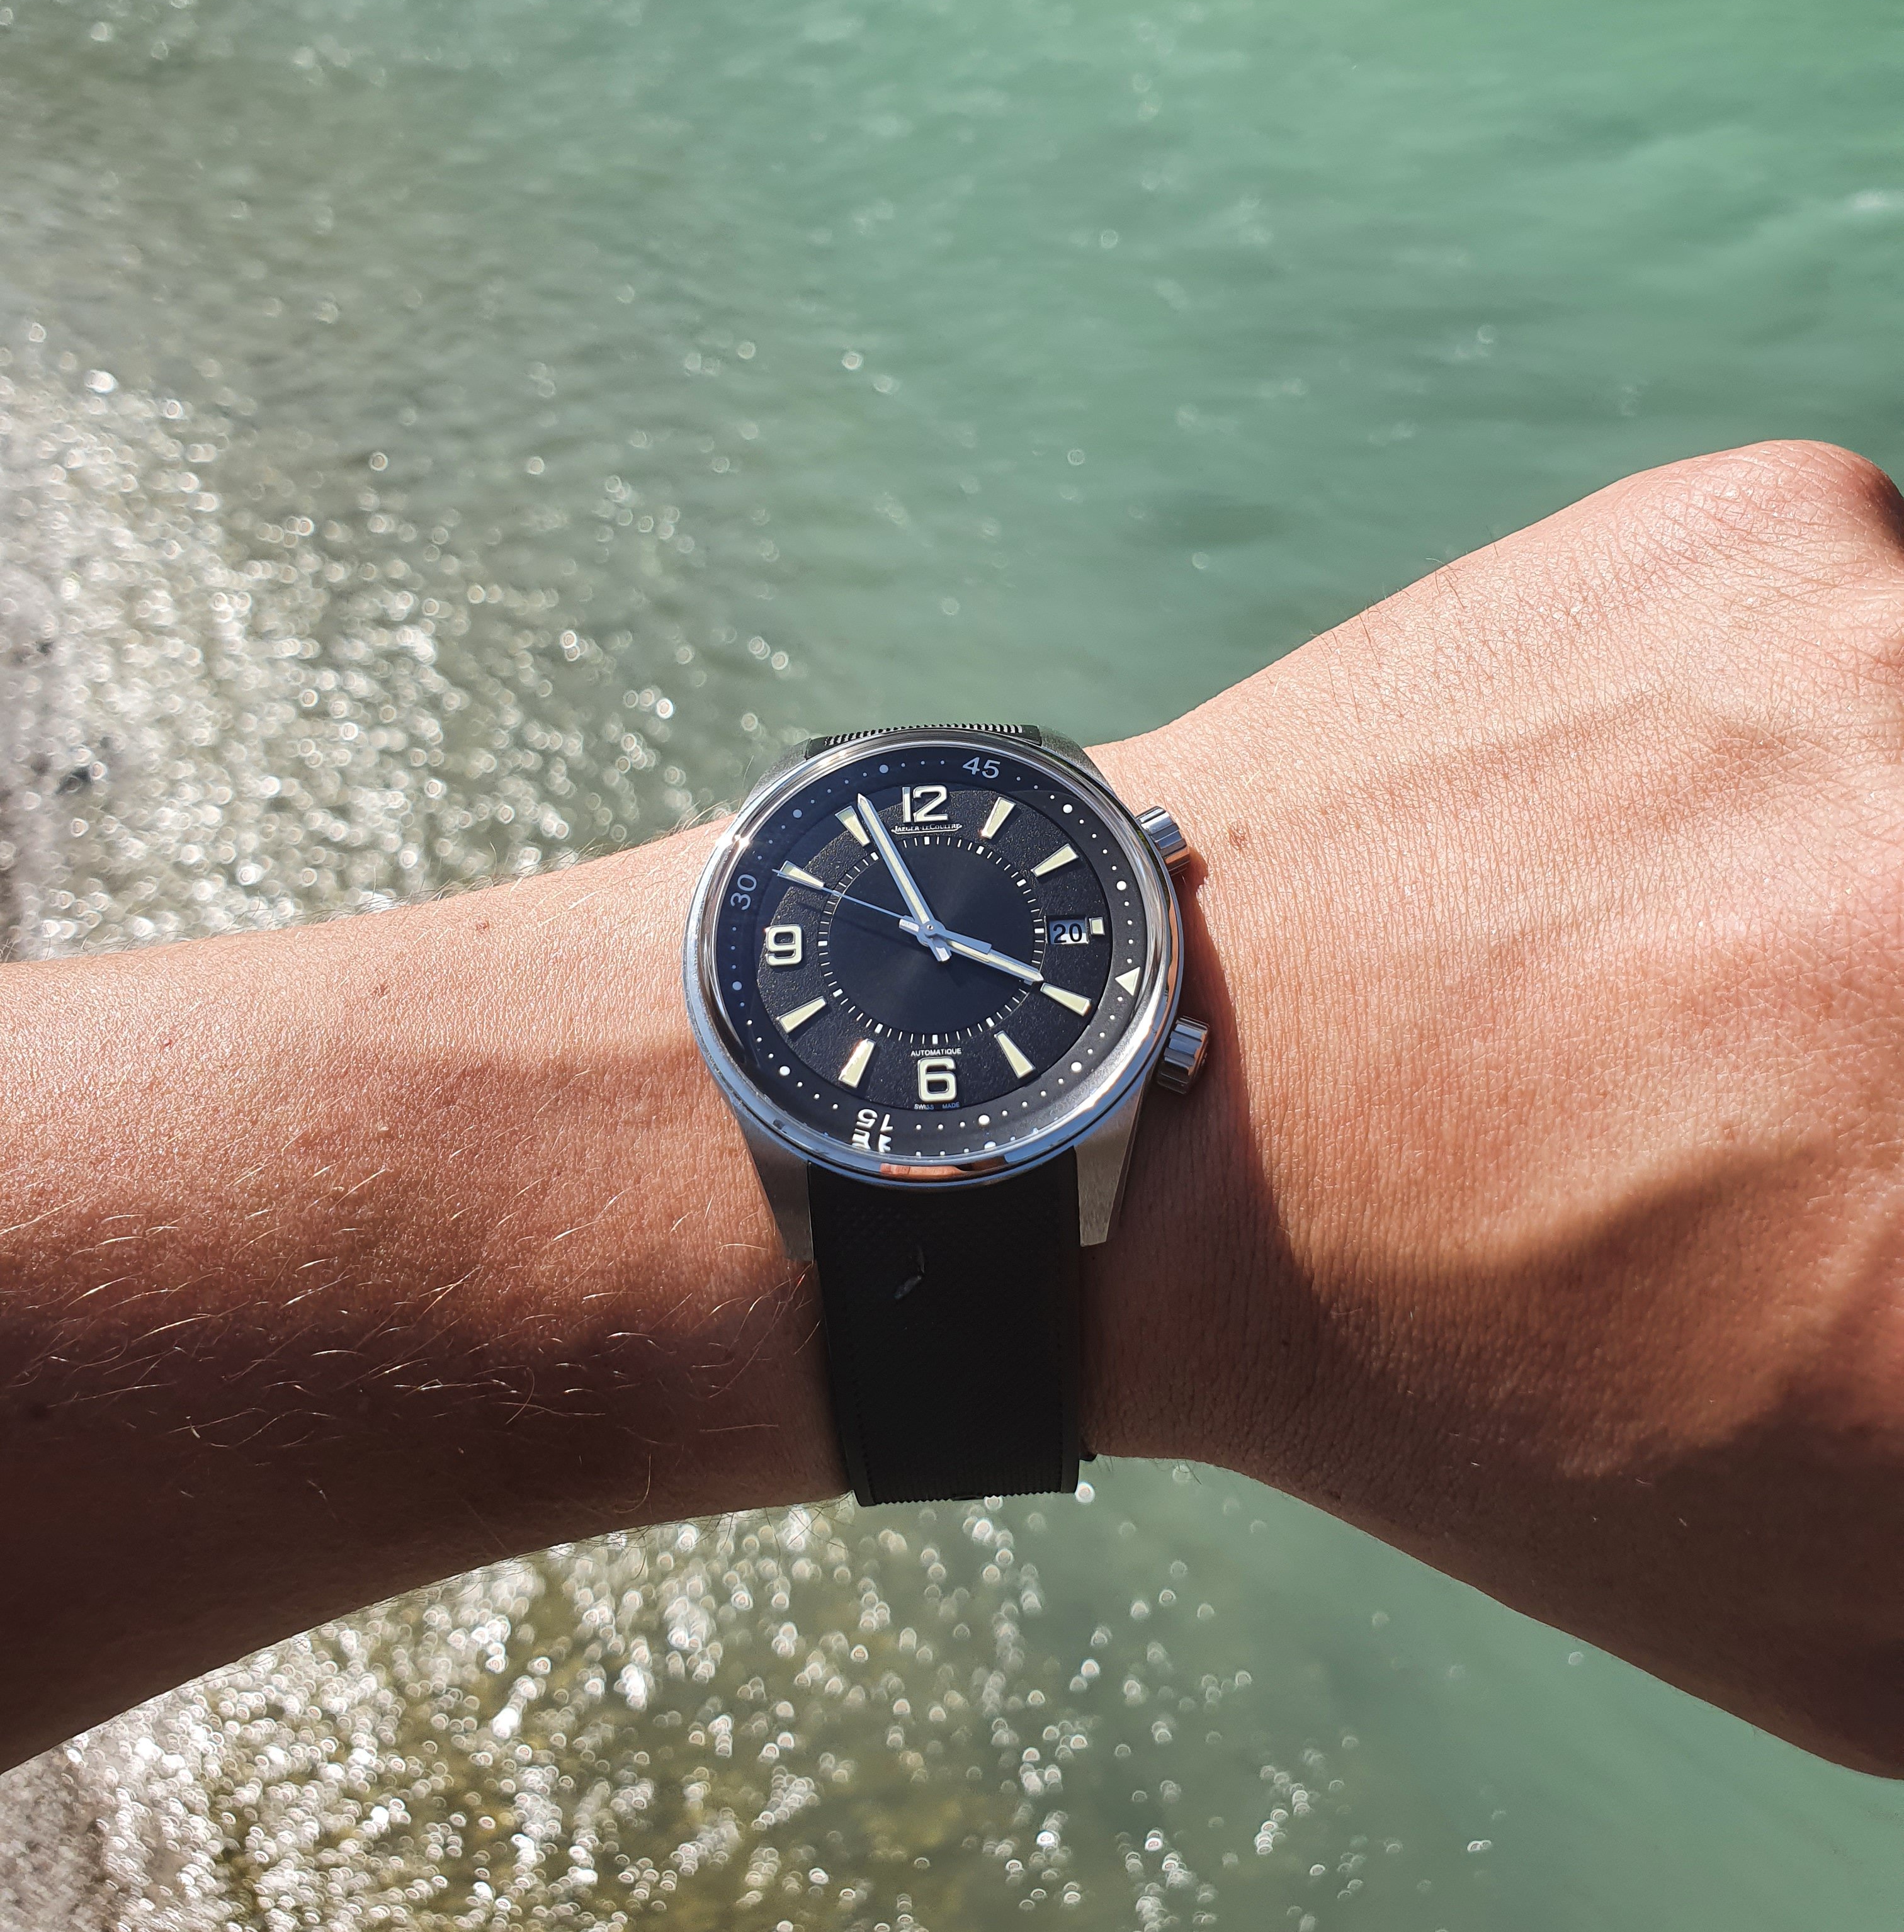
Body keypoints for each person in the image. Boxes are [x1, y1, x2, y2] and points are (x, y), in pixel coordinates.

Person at [3, 438, 1902, 1779]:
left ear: (1164, 1022)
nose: (921, 936)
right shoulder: (897, 977)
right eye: (899, 915)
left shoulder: (1101, 988)